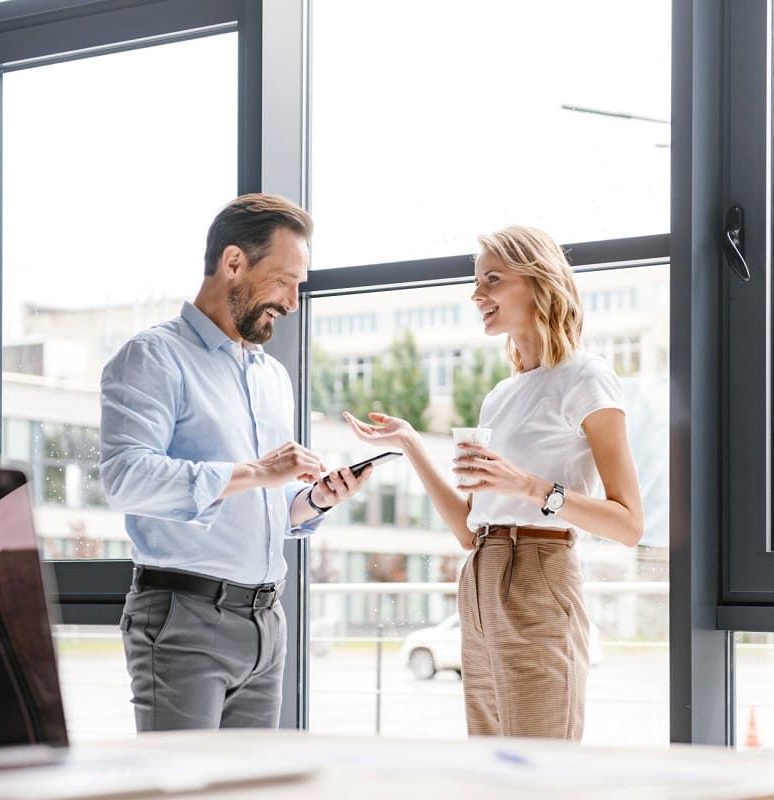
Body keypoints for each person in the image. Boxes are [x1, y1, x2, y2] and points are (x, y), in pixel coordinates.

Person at [344, 225, 643, 740]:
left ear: (538, 281)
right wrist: (412, 443)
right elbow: (467, 528)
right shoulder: (499, 397)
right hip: (480, 573)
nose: (476, 294)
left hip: (540, 572)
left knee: (540, 760)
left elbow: (629, 524)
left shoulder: (586, 377)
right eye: (476, 281)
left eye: (493, 279)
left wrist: (530, 486)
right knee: (491, 763)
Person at [100, 194, 372, 731]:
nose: (293, 302)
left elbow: (256, 506)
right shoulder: (153, 357)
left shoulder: (272, 377)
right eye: (284, 281)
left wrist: (312, 500)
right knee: (182, 792)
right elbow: (124, 479)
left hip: (266, 625)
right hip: (184, 620)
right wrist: (258, 472)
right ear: (233, 263)